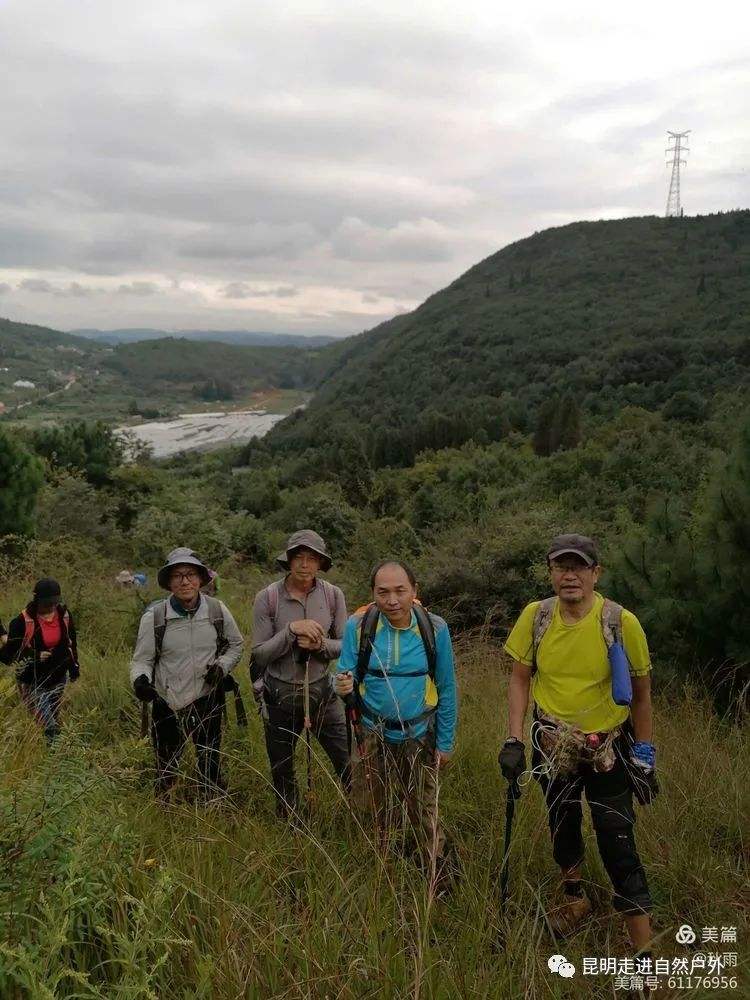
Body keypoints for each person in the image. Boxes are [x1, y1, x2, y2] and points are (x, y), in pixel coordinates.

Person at [498, 533, 656, 953]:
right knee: (561, 822)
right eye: (561, 567)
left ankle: (644, 952)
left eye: (579, 567)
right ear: (551, 573)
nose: (570, 575)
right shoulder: (536, 617)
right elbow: (519, 678)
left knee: (616, 837)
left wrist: (644, 753)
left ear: (595, 573)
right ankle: (575, 899)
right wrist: (513, 738)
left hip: (608, 747)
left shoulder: (621, 622)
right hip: (551, 743)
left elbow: (642, 693)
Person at [334, 560, 457, 874]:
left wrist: (445, 742)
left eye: (400, 591)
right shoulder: (358, 626)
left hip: (419, 733)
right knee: (370, 806)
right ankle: (376, 868)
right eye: (383, 592)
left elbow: (447, 688)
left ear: (414, 591)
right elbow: (344, 672)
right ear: (373, 593)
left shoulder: (435, 628)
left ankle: (432, 871)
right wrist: (341, 684)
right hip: (371, 733)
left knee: (424, 807)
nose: (392, 600)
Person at [130, 547, 243, 801]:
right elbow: (142, 660)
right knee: (166, 765)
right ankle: (164, 811)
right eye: (178, 575)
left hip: (207, 697)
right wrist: (140, 680)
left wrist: (222, 666)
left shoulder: (216, 610)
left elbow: (236, 645)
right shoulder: (155, 617)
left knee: (210, 760)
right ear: (169, 582)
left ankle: (213, 805)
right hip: (167, 700)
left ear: (201, 579)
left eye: (191, 574)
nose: (185, 581)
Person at [251, 529, 349, 818]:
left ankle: (363, 817)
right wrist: (291, 632)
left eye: (311, 558)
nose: (305, 564)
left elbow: (344, 645)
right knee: (282, 768)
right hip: (278, 695)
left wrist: (319, 645)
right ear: (289, 561)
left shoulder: (333, 596)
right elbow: (259, 653)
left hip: (323, 693)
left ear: (320, 563)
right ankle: (291, 823)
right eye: (298, 558)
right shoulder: (267, 597)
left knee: (347, 761)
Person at [0, 578, 80, 744]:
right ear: (37, 601)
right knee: (47, 725)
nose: (51, 607)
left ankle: (51, 755)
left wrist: (74, 667)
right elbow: (10, 653)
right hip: (32, 680)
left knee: (54, 716)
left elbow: (71, 642)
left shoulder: (63, 615)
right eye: (46, 603)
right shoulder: (21, 621)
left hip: (58, 677)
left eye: (54, 603)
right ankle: (56, 754)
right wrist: (35, 655)